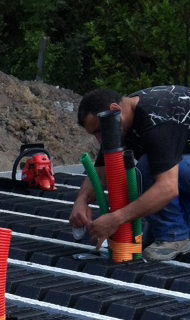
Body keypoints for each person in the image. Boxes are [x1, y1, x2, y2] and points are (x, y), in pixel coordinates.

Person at [71, 85, 190, 261]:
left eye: (99, 130)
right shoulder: (119, 118)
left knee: (147, 167)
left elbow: (168, 188)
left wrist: (116, 219)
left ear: (115, 110)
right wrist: (81, 201)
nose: (100, 140)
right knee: (148, 241)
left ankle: (176, 237)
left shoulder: (157, 121)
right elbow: (102, 172)